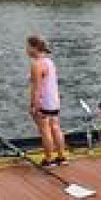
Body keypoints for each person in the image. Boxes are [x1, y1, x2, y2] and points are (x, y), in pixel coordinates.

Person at [27, 35, 68, 167]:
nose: (26, 50)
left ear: (34, 48)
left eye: (27, 46)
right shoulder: (49, 62)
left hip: (43, 102)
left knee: (45, 130)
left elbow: (36, 87)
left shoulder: (36, 65)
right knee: (56, 128)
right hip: (54, 101)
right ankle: (62, 157)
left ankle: (48, 159)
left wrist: (33, 105)